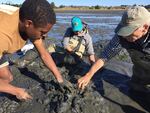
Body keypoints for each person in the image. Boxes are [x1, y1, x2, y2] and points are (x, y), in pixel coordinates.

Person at [0, 0, 63, 100]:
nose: (45, 36)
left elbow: (44, 54)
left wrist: (60, 79)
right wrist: (16, 91)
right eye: (42, 32)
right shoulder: (3, 37)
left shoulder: (26, 17)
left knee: (7, 78)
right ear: (28, 23)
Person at [78, 6, 150, 92]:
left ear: (145, 28)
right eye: (124, 31)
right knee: (135, 88)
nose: (124, 36)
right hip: (140, 70)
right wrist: (89, 75)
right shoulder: (122, 35)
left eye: (129, 32)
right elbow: (105, 56)